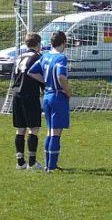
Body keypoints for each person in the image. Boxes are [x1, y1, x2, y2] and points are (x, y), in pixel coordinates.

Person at [28, 31, 70, 173]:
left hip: (47, 96)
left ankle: (48, 164)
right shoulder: (61, 58)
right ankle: (52, 166)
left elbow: (31, 72)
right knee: (56, 132)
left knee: (50, 130)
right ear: (63, 42)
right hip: (58, 96)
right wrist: (67, 90)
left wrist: (45, 82)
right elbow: (61, 76)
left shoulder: (45, 57)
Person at [12, 33, 45, 170]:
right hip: (29, 94)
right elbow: (40, 74)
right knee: (34, 127)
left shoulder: (19, 57)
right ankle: (32, 162)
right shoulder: (38, 57)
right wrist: (44, 87)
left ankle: (20, 162)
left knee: (21, 129)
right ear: (38, 44)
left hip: (16, 93)